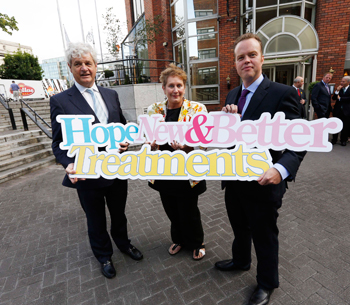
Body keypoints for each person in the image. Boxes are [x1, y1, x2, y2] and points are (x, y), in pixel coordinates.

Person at [216, 33, 306, 305]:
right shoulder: (233, 93)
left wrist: (281, 168)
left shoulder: (282, 93)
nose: (246, 60)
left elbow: (299, 142)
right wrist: (226, 123)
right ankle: (241, 261)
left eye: (252, 55)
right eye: (241, 57)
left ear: (262, 58)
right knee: (239, 228)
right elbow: (228, 138)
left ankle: (267, 283)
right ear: (235, 63)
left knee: (264, 235)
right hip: (234, 182)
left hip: (264, 182)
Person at [50, 42, 143, 279]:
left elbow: (120, 125)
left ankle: (123, 244)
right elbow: (58, 143)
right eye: (78, 64)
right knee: (95, 219)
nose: (84, 68)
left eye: (88, 63)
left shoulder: (111, 95)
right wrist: (67, 162)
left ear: (95, 66)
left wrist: (125, 140)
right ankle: (104, 256)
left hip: (116, 169)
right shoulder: (60, 101)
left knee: (119, 213)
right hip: (87, 173)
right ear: (70, 68)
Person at [146, 64, 207, 260]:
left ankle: (197, 242)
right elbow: (150, 143)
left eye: (179, 85)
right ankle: (179, 239)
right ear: (163, 88)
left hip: (187, 171)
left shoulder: (197, 109)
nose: (176, 90)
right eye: (171, 86)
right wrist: (153, 145)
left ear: (184, 87)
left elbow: (204, 143)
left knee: (189, 210)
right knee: (171, 208)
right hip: (163, 171)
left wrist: (186, 147)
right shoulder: (153, 110)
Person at [331, 76, 350, 146]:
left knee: (345, 126)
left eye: (343, 81)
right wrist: (337, 91)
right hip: (338, 110)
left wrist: (341, 98)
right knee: (336, 125)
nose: (341, 83)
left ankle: (343, 140)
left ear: (348, 82)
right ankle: (334, 139)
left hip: (347, 111)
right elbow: (334, 98)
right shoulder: (340, 89)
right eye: (341, 81)